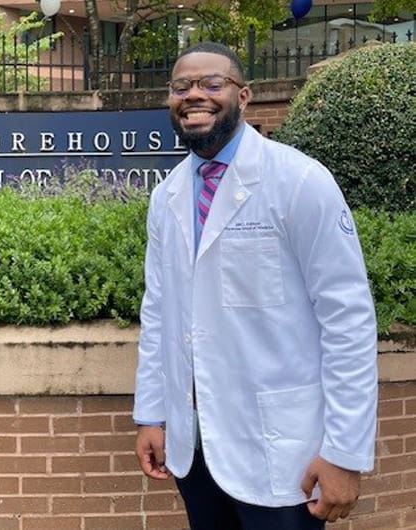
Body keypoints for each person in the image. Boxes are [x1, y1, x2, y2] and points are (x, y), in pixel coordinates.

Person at [132, 41, 378, 529]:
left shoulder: (300, 181)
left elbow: (348, 321)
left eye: (211, 83)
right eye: (181, 86)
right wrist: (152, 415)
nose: (194, 95)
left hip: (281, 450)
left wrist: (346, 453)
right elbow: (159, 312)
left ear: (243, 96)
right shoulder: (168, 197)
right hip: (195, 450)